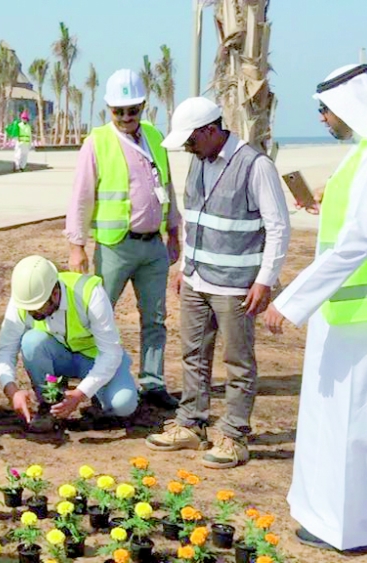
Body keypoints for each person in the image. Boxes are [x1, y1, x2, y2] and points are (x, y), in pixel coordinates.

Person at [262, 63, 367, 553]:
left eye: (326, 110)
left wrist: (291, 302)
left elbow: (356, 245)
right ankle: (332, 518)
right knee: (337, 423)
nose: (324, 119)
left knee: (360, 427)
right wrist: (324, 202)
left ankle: (353, 531)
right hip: (351, 317)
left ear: (350, 106)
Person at [145, 97, 290, 469]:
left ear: (211, 130)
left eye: (191, 140)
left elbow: (277, 227)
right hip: (196, 279)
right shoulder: (199, 161)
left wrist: (265, 281)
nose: (188, 149)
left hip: (237, 285)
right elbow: (195, 218)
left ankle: (234, 435)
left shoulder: (255, 166)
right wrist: (185, 266)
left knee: (238, 362)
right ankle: (191, 423)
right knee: (193, 354)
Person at [65, 69, 182, 410]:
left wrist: (173, 230)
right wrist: (77, 245)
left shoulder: (154, 136)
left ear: (144, 106)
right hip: (115, 245)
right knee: (99, 315)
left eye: (133, 110)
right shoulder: (97, 142)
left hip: (152, 247)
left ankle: (153, 382)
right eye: (120, 111)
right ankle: (93, 383)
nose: (127, 117)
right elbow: (81, 196)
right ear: (108, 109)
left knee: (155, 318)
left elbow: (168, 187)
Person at [0, 256, 139, 432]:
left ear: (54, 294)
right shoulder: (24, 299)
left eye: (37, 308)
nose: (30, 313)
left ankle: (98, 402)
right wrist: (11, 391)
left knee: (123, 405)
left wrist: (81, 393)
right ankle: (50, 404)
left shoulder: (90, 294)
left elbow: (110, 353)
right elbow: (6, 349)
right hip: (59, 357)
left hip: (95, 358)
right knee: (32, 341)